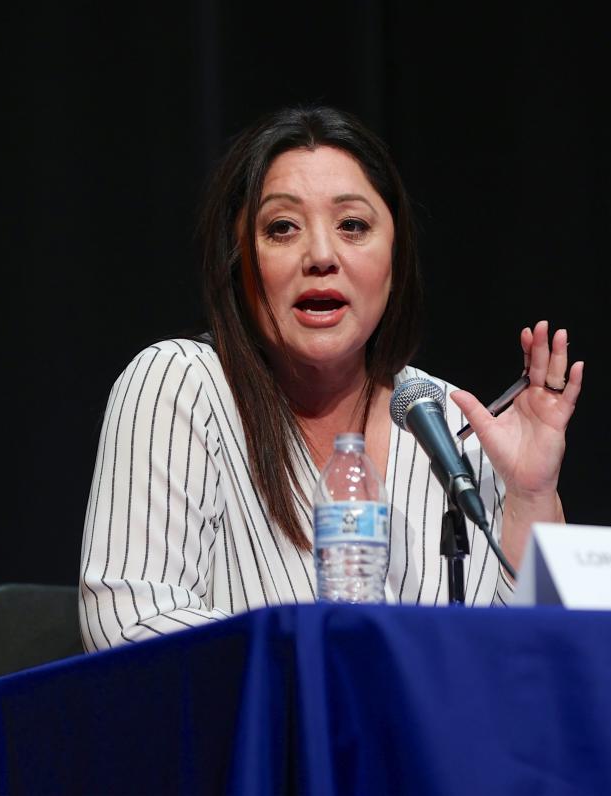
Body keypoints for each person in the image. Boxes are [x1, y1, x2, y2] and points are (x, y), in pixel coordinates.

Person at [78, 106, 584, 651]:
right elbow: (128, 622)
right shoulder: (181, 385)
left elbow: (529, 666)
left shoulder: (444, 419)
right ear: (240, 260)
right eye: (281, 228)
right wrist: (339, 678)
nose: (321, 256)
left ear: (395, 255)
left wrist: (532, 496)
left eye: (352, 226)